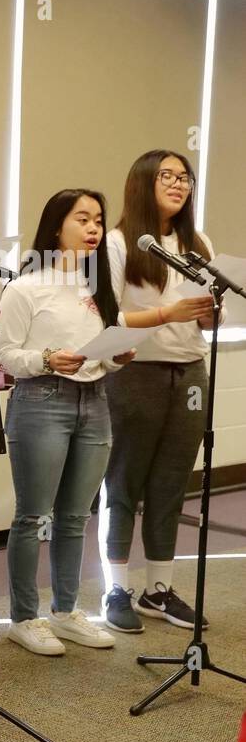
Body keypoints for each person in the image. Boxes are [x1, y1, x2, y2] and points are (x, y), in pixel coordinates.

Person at [0, 191, 136, 656]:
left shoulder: (98, 286)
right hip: (42, 399)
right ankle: (24, 617)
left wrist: (117, 357)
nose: (94, 228)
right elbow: (6, 357)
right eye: (83, 219)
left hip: (94, 401)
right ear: (57, 226)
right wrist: (49, 358)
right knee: (33, 515)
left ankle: (66, 610)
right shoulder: (26, 286)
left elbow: (102, 356)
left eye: (98, 219)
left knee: (76, 515)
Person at [98, 150, 218, 633]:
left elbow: (208, 309)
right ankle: (116, 588)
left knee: (171, 484)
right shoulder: (116, 243)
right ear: (142, 183)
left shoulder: (198, 242)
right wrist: (166, 315)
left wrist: (210, 315)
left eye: (184, 177)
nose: (178, 184)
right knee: (123, 484)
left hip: (189, 372)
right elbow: (105, 318)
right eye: (167, 176)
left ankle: (159, 590)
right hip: (135, 373)